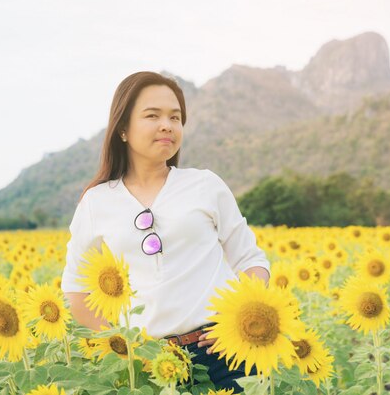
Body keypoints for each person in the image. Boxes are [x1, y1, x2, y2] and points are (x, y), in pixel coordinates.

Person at [60, 71, 270, 393]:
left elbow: (251, 260)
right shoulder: (97, 202)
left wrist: (236, 322)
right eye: (152, 115)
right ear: (123, 129)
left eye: (175, 117)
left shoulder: (205, 185)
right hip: (149, 367)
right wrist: (125, 346)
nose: (167, 125)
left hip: (223, 355)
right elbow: (76, 291)